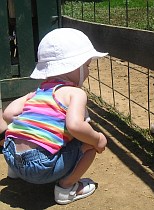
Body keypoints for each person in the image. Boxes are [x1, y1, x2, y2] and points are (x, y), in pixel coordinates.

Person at [2, 28, 108, 205]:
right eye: (87, 66)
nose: (88, 72)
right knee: (88, 144)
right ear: (76, 66)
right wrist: (97, 139)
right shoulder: (75, 93)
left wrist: (34, 127)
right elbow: (75, 125)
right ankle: (66, 188)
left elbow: (8, 113)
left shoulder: (37, 92)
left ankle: (16, 173)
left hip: (11, 156)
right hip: (40, 168)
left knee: (21, 135)